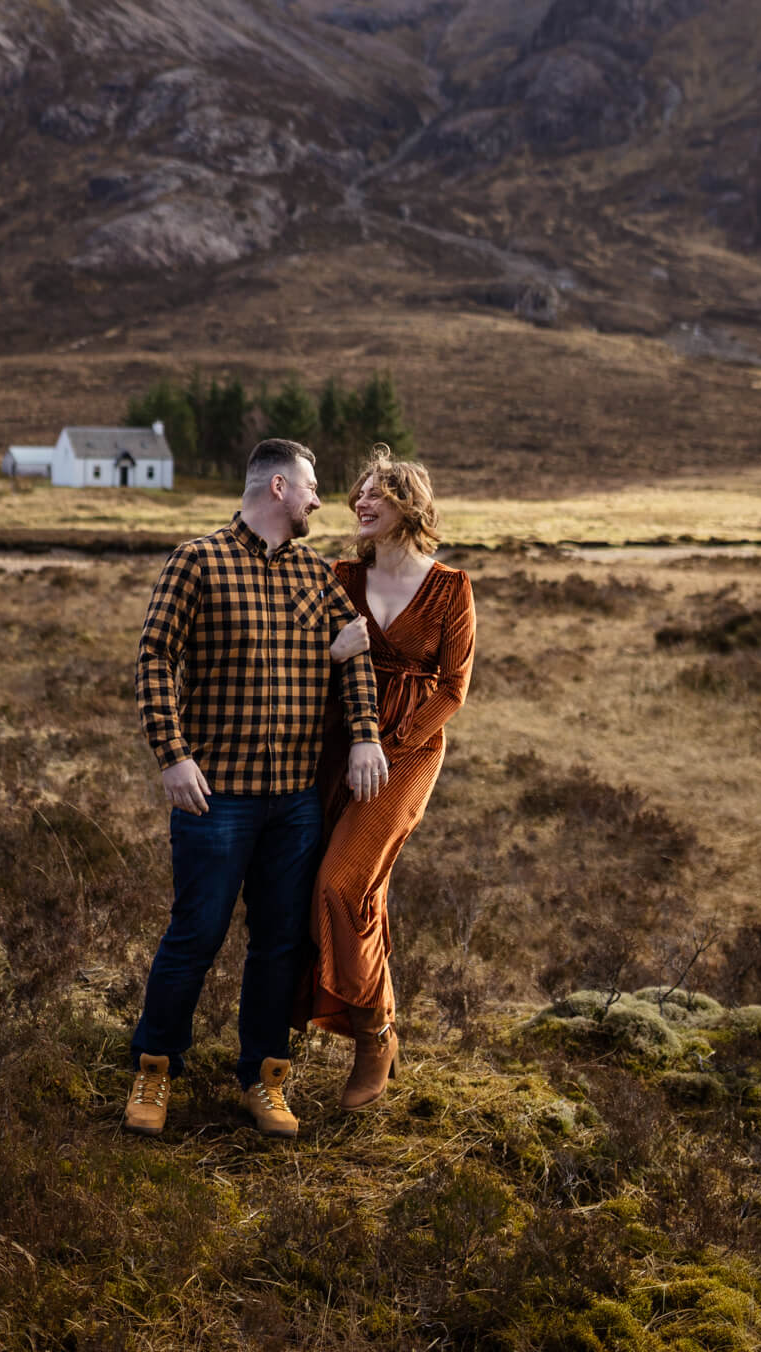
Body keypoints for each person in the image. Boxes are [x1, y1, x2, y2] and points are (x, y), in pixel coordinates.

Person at [125, 437, 388, 1140]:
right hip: (217, 798)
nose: (318, 501)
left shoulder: (313, 575)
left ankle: (264, 1079)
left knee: (278, 945)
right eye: (310, 488)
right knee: (196, 934)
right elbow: (154, 657)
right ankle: (154, 1071)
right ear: (276, 487)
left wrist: (364, 732)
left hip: (294, 802)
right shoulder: (198, 560)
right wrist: (171, 755)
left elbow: (355, 653)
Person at [308, 445, 475, 1109]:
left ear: (410, 506)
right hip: (331, 745)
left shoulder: (450, 587)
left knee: (340, 882)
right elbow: (304, 656)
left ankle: (374, 1032)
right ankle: (362, 1020)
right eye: (357, 493)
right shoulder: (339, 576)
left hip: (405, 754)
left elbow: (454, 690)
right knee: (350, 891)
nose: (359, 502)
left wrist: (384, 743)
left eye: (376, 492)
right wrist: (333, 667)